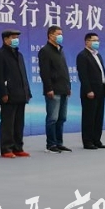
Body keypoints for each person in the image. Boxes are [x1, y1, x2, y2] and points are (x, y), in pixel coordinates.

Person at [0, 29, 32, 158]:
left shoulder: (19, 55)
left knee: (19, 123)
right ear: (5, 39)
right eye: (13, 37)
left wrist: (28, 92)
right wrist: (3, 93)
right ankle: (6, 148)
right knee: (8, 123)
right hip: (8, 95)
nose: (16, 40)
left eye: (17, 37)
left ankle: (18, 147)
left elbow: (23, 75)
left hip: (21, 94)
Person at [38, 25, 72, 154]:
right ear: (50, 35)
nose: (60, 36)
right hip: (53, 90)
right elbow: (44, 72)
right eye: (58, 34)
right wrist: (49, 88)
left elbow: (64, 71)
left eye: (61, 34)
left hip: (64, 89)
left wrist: (68, 87)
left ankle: (59, 143)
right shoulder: (45, 51)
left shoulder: (60, 50)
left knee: (62, 118)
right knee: (52, 118)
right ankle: (51, 144)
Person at [76, 32, 105, 150]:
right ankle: (88, 141)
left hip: (101, 89)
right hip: (90, 91)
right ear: (87, 42)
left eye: (97, 40)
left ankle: (97, 140)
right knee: (89, 117)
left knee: (98, 116)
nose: (97, 42)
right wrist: (88, 90)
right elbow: (83, 75)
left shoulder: (98, 55)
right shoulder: (82, 56)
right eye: (94, 40)